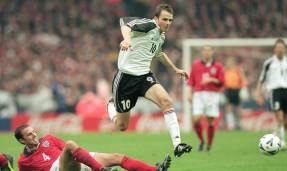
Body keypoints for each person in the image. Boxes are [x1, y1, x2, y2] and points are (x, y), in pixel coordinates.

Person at [107, 4, 192, 157]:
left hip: (144, 76)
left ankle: (177, 144)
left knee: (167, 102)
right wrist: (127, 40)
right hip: (125, 79)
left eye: (170, 20)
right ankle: (111, 105)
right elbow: (125, 25)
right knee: (122, 126)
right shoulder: (149, 25)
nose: (168, 23)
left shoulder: (161, 35)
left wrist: (175, 69)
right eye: (164, 19)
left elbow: (159, 53)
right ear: (156, 18)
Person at [15, 124, 171, 171]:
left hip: (72, 162)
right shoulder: (23, 162)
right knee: (70, 144)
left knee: (117, 157)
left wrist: (83, 158)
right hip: (57, 170)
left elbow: (68, 151)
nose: (34, 135)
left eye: (33, 131)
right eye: (29, 135)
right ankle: (100, 170)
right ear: (22, 141)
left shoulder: (48, 139)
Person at [255, 39, 287, 150]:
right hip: (274, 91)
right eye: (278, 47)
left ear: (284, 49)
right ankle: (282, 142)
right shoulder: (269, 63)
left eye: (281, 47)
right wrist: (258, 93)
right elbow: (261, 79)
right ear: (274, 49)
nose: (280, 49)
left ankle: (276, 134)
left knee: (286, 122)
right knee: (279, 117)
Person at [187, 46, 225, 151]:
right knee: (196, 119)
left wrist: (212, 79)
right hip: (199, 94)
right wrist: (189, 93)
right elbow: (191, 81)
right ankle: (201, 140)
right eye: (205, 51)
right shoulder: (196, 64)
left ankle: (209, 144)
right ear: (202, 52)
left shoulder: (218, 66)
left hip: (212, 95)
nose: (207, 53)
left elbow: (222, 82)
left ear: (212, 52)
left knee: (210, 121)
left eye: (209, 50)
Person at [223, 57, 247, 130]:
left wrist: (244, 89)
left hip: (237, 90)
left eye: (230, 62)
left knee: (238, 108)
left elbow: (242, 80)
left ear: (233, 63)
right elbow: (221, 81)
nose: (229, 64)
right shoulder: (224, 71)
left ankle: (239, 124)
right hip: (228, 90)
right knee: (228, 108)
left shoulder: (237, 71)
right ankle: (231, 125)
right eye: (228, 62)